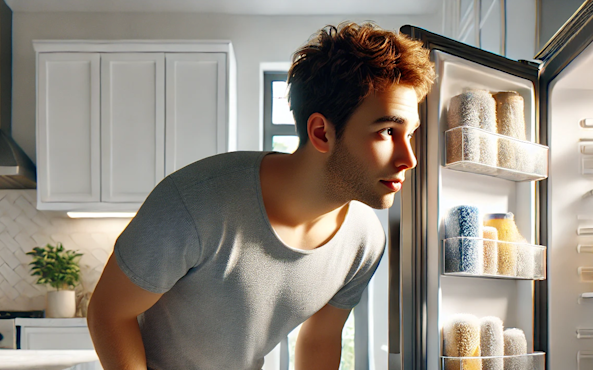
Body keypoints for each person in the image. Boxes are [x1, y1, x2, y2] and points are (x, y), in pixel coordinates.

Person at [87, 21, 435, 370]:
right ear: (321, 133)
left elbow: (320, 341)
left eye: (411, 132)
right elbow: (109, 313)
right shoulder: (195, 202)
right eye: (388, 131)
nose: (409, 158)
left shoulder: (365, 240)